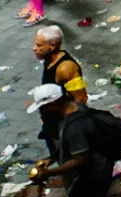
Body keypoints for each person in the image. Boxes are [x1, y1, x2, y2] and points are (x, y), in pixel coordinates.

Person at [33, 25, 88, 159]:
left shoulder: (65, 68)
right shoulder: (48, 61)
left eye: (39, 45)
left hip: (64, 125)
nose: (34, 48)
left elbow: (81, 99)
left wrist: (71, 129)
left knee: (67, 159)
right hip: (52, 123)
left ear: (52, 46)